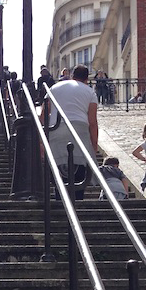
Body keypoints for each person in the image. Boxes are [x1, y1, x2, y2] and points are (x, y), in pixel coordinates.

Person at [47, 63, 98, 201]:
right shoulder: (89, 91)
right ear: (86, 79)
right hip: (79, 128)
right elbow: (92, 122)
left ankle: (60, 200)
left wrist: (41, 140)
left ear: (71, 75)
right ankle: (78, 201)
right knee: (80, 165)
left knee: (59, 166)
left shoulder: (54, 87)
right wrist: (94, 145)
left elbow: (44, 114)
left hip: (56, 127)